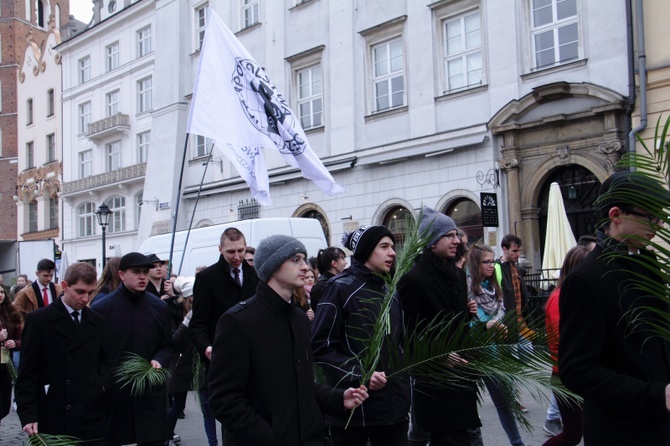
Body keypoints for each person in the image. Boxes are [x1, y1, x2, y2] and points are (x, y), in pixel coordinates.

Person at [208, 235, 368, 446]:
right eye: (295, 260)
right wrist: (268, 437)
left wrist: (338, 398)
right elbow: (224, 400)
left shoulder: (299, 319)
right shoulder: (237, 321)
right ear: (272, 267)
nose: (305, 268)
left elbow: (301, 385)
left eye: (303, 259)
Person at [559, 171, 670, 444]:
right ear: (616, 215)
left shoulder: (647, 263)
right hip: (623, 431)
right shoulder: (586, 278)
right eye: (649, 216)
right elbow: (577, 370)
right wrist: (656, 395)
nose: (657, 224)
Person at [312, 225, 410, 446]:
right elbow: (320, 347)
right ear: (366, 251)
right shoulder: (339, 288)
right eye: (384, 246)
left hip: (395, 414)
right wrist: (361, 374)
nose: (392, 253)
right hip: (355, 415)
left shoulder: (390, 290)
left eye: (393, 247)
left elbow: (400, 343)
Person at [398, 209, 480, 446]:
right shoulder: (413, 280)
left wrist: (484, 327)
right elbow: (406, 333)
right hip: (435, 381)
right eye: (449, 236)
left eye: (456, 235)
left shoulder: (455, 275)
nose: (457, 241)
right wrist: (438, 355)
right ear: (432, 242)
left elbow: (459, 325)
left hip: (461, 377)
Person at [15, 262, 107, 444]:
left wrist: (102, 386)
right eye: (80, 292)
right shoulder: (39, 320)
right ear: (64, 286)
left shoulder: (97, 322)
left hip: (90, 412)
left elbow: (105, 361)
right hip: (54, 411)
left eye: (90, 292)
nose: (85, 298)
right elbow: (27, 372)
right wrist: (28, 414)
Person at [92, 252, 174, 446]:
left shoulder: (159, 307)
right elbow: (94, 353)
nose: (143, 276)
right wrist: (106, 381)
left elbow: (167, 346)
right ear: (122, 275)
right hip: (116, 395)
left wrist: (159, 360)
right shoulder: (101, 309)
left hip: (150, 394)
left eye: (145, 272)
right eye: (136, 272)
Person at [467, 243, 528, 446]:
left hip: (497, 352)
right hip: (476, 354)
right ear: (476, 264)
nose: (491, 265)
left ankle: (517, 442)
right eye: (486, 262)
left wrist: (500, 327)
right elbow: (468, 323)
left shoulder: (494, 287)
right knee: (468, 408)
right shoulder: (467, 288)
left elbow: (500, 311)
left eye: (492, 261)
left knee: (503, 403)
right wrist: (486, 325)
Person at [542, 245, 589, 446]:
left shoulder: (573, 294)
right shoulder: (559, 298)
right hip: (566, 373)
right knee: (572, 434)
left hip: (575, 372)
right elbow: (564, 340)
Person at [166, 276, 197, 446]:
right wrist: (187, 321)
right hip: (178, 364)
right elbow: (174, 340)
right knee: (178, 404)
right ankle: (166, 435)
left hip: (195, 363)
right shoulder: (174, 311)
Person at [0, 286, 21, 429]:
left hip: (5, 363)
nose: (0, 295)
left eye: (1, 292)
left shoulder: (11, 313)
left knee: (4, 406)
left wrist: (15, 343)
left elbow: (22, 339)